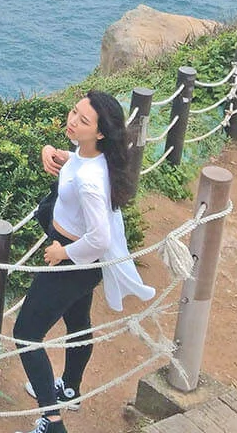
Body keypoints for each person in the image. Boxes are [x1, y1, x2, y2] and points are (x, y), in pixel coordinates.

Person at [13, 91, 154, 433]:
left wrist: (63, 253)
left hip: (72, 263)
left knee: (26, 334)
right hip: (83, 265)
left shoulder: (91, 181)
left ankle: (52, 421)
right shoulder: (92, 155)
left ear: (101, 132)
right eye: (74, 112)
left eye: (83, 120)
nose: (72, 121)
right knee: (77, 321)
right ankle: (70, 388)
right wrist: (51, 152)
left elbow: (101, 238)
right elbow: (76, 161)